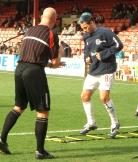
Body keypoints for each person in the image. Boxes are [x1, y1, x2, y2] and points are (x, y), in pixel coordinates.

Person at [0, 7, 63, 159]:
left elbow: (34, 56)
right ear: (54, 20)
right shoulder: (52, 33)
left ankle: (2, 139)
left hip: (20, 69)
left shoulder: (30, 30)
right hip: (34, 72)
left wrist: (46, 64)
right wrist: (59, 55)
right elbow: (54, 62)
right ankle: (40, 151)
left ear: (42, 17)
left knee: (19, 106)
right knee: (43, 110)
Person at [78, 12, 123, 138]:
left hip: (107, 70)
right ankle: (91, 122)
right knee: (84, 96)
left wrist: (104, 54)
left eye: (86, 27)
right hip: (94, 70)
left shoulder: (106, 32)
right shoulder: (86, 36)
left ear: (92, 22)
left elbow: (119, 45)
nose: (85, 30)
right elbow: (86, 50)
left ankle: (115, 123)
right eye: (83, 29)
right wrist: (86, 57)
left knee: (104, 98)